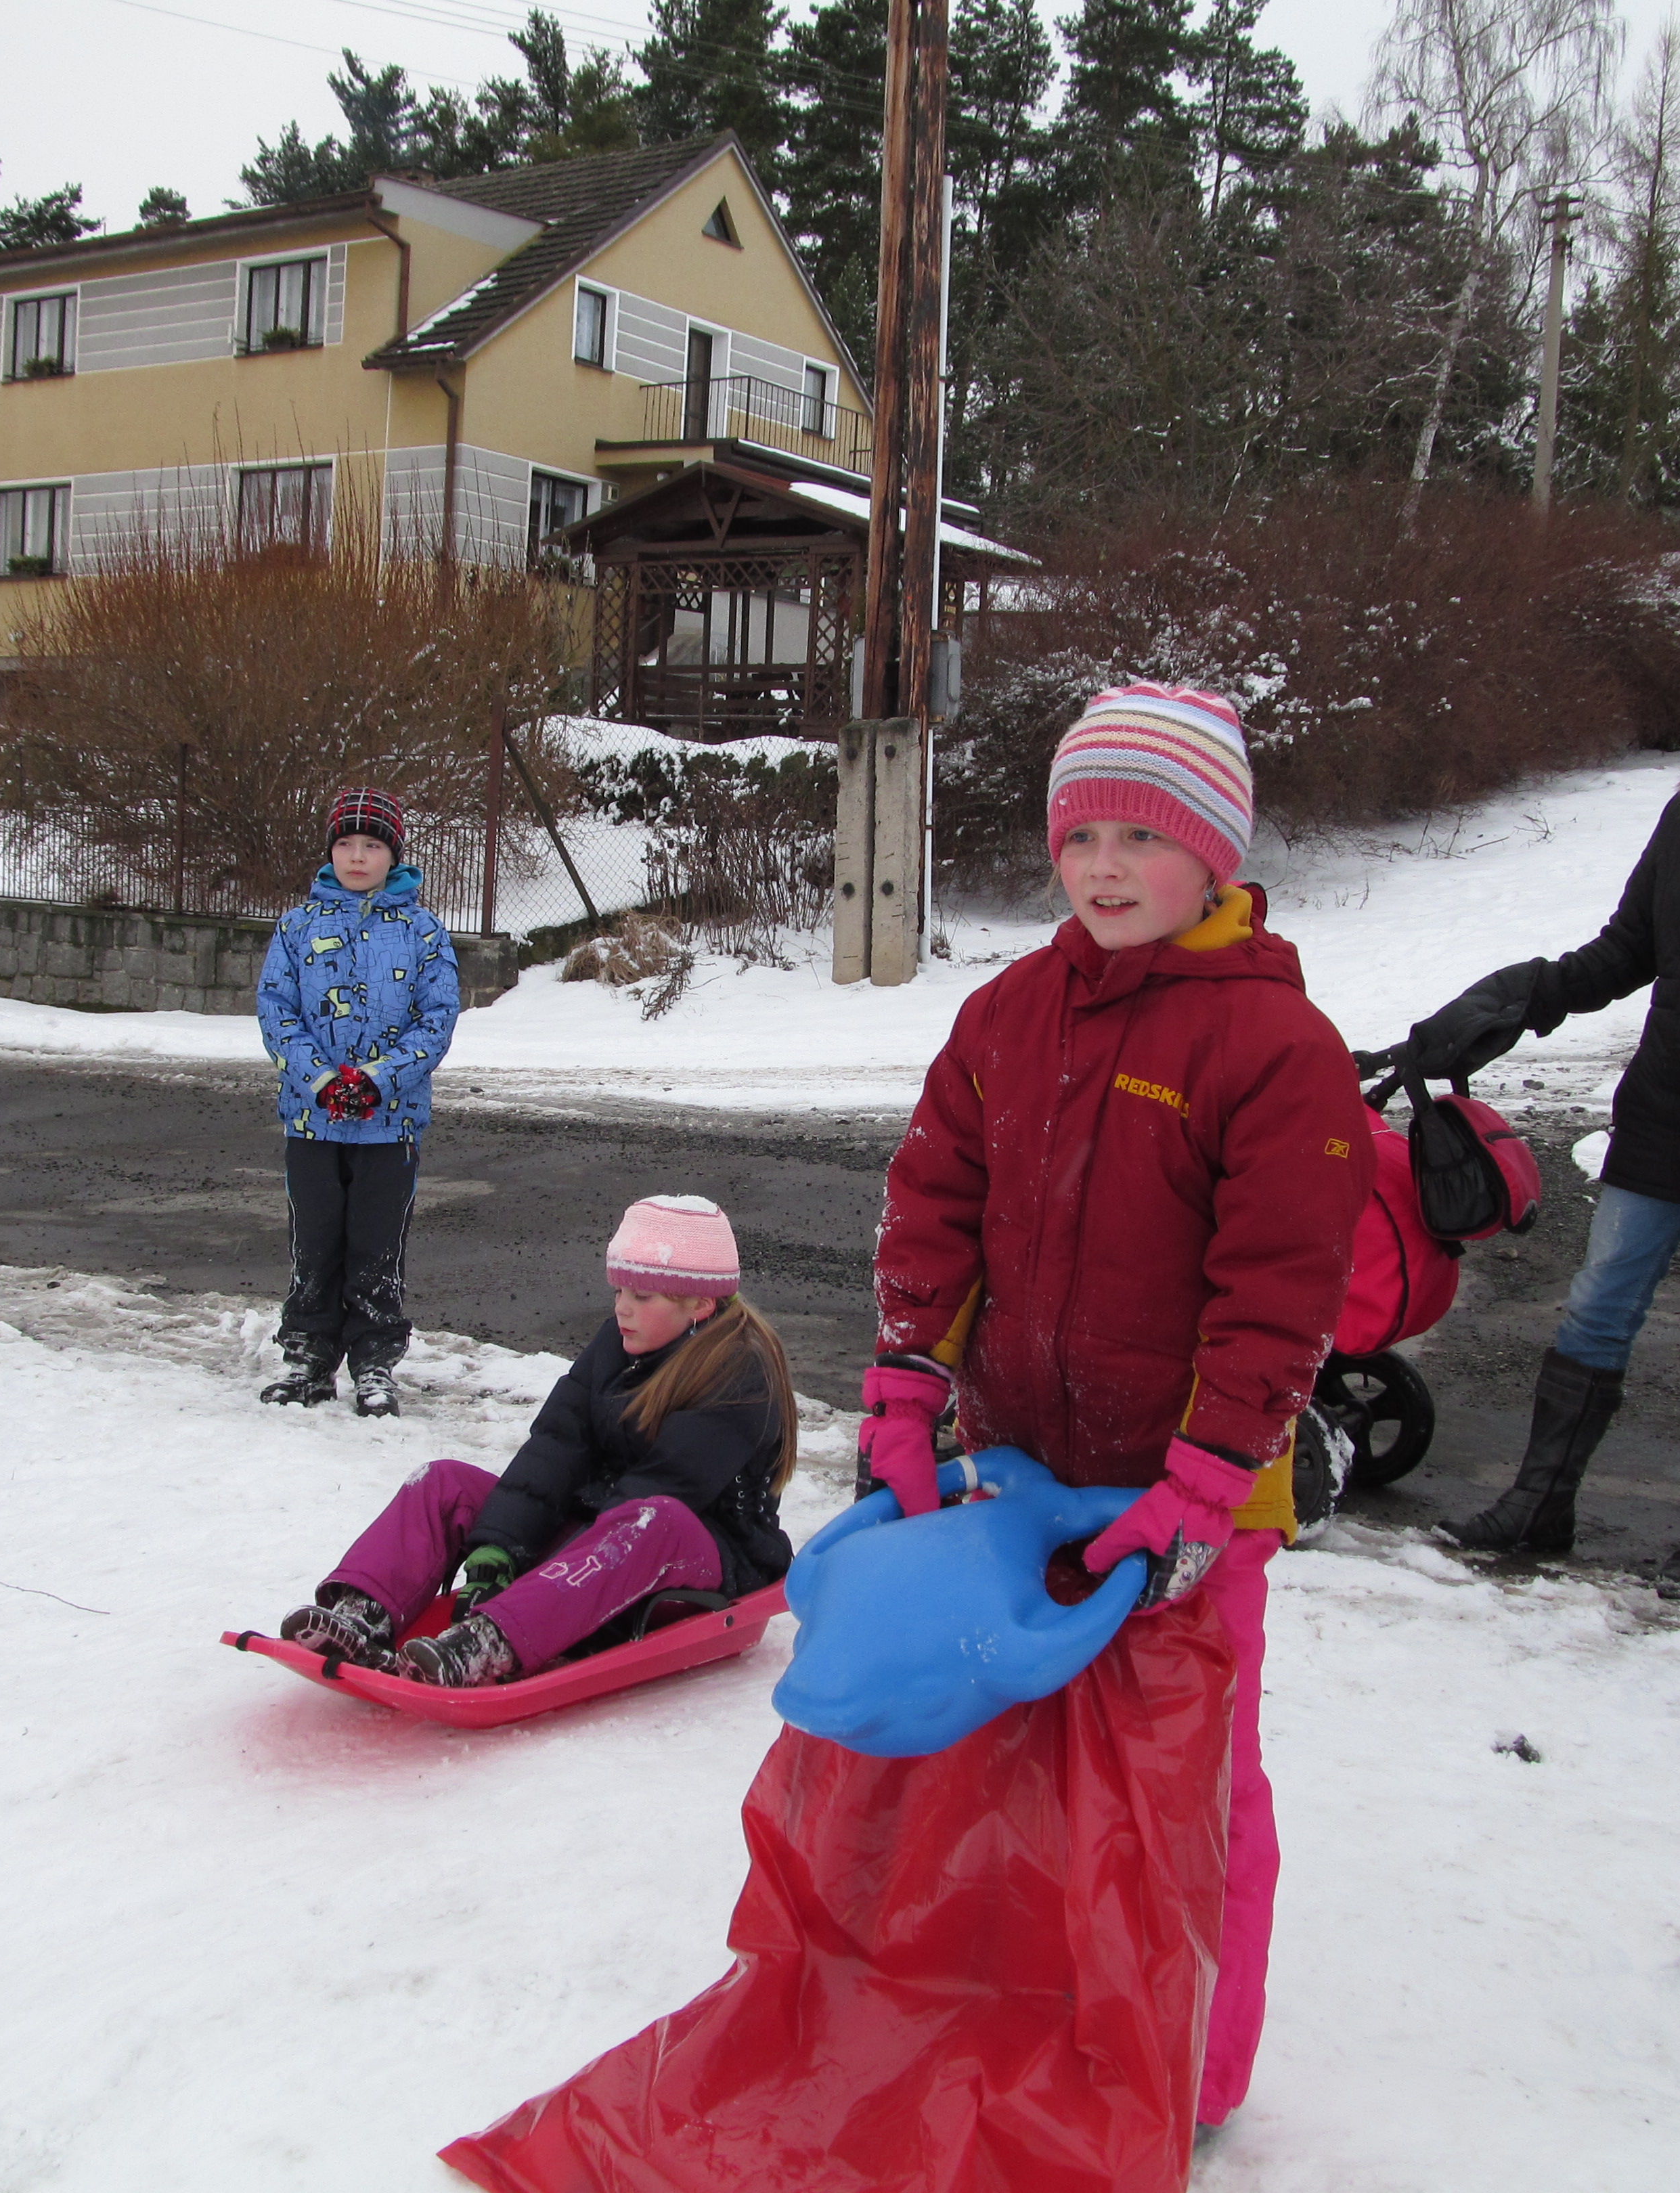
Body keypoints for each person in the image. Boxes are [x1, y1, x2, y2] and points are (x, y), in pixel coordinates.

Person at [441, 685, 1373, 2192]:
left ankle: (1190, 2059)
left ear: (1216, 854)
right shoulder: (1011, 1015)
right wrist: (904, 1391)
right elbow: (937, 1205)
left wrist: (1204, 1484)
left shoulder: (1274, 1045)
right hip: (1015, 1476)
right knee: (1000, 1758)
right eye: (1082, 835)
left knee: (1182, 1783)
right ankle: (1005, 1990)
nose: (1106, 866)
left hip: (1181, 1501)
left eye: (1144, 837)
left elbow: (1278, 1292)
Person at [1401, 620, 1680, 1599]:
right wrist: (1521, 997)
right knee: (1600, 1300)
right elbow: (1628, 950)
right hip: (1665, 1104)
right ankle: (1539, 1502)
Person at [277, 1195, 793, 1686]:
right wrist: (499, 1546)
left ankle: (490, 1644)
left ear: (700, 1304)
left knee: (653, 1519)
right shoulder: (618, 1344)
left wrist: (536, 1576)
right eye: (619, 1292)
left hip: (704, 1554)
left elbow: (667, 1488)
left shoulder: (739, 1375)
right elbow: (557, 1445)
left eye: (642, 1296)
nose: (622, 1309)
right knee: (443, 1482)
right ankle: (361, 1613)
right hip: (599, 1530)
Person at [254, 787, 461, 1418]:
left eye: (372, 845)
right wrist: (320, 1079)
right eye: (345, 844)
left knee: (376, 1247)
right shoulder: (297, 927)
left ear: (393, 854)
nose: (357, 857)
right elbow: (276, 1011)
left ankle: (374, 1362)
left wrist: (377, 1079)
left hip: (389, 1124)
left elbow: (437, 1018)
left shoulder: (423, 932)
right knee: (315, 1242)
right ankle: (308, 1357)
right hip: (312, 1120)